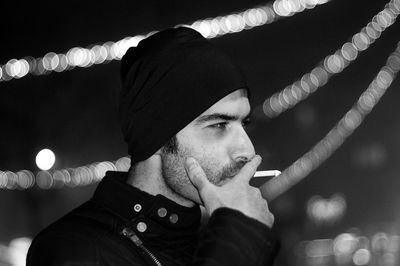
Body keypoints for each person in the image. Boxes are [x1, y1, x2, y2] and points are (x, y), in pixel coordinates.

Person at [27, 27, 279, 266]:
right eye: (219, 125)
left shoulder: (210, 241)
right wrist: (239, 243)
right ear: (158, 135)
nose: (247, 150)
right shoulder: (78, 251)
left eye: (244, 123)